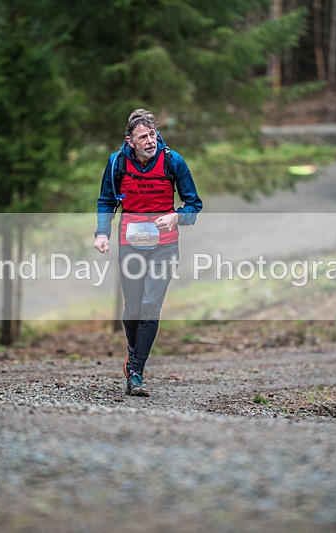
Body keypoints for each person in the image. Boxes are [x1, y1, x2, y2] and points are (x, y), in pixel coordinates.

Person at [93, 109, 203, 396]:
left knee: (151, 307)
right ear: (130, 141)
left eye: (153, 134)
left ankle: (136, 372)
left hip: (165, 246)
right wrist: (102, 233)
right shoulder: (117, 163)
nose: (150, 140)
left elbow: (194, 205)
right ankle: (133, 355)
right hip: (130, 245)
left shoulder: (172, 161)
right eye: (144, 136)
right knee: (132, 309)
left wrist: (176, 216)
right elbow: (106, 201)